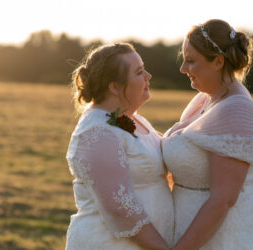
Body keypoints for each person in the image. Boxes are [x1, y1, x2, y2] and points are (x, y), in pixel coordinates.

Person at [161, 19, 253, 249]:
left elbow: (223, 200)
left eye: (191, 61)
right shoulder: (205, 100)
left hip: (224, 241)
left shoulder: (237, 110)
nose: (183, 68)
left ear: (218, 61)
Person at [66, 43, 174, 249]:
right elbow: (119, 207)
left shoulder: (135, 119)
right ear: (114, 86)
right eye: (139, 72)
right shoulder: (96, 132)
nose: (148, 76)